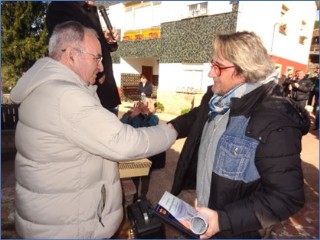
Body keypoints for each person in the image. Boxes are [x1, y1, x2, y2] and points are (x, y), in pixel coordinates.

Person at [10, 21, 177, 239]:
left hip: (51, 220)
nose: (100, 67)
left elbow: (93, 135)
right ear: (71, 55)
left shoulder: (44, 86)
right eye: (97, 58)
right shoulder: (67, 96)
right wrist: (172, 130)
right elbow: (123, 143)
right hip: (68, 228)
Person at [168, 31, 310, 238]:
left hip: (238, 231)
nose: (210, 73)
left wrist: (222, 221)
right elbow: (197, 116)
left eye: (217, 67)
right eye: (211, 63)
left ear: (243, 71)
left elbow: (287, 196)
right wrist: (169, 129)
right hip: (209, 215)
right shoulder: (218, 98)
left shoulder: (273, 118)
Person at [46, 1, 121, 115]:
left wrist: (107, 41)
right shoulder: (62, 6)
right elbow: (66, 48)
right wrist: (100, 75)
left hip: (107, 95)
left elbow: (93, 46)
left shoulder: (89, 10)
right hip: (88, 99)